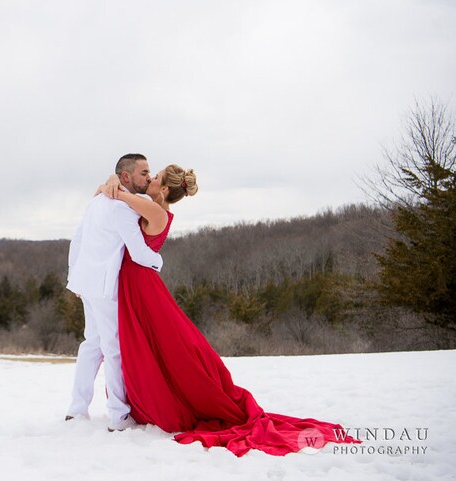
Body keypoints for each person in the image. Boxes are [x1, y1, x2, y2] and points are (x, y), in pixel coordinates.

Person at [99, 165, 361, 456]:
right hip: (137, 283)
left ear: (163, 190)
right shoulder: (151, 207)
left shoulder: (156, 212)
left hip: (141, 285)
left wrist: (113, 182)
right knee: (151, 344)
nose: (150, 179)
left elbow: (121, 196)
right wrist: (113, 181)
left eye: (155, 177)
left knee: (161, 345)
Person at [65, 153, 164, 432]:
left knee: (92, 344)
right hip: (105, 286)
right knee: (113, 348)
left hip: (87, 281)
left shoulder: (96, 200)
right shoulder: (123, 208)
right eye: (143, 173)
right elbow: (138, 252)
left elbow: (77, 240)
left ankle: (76, 409)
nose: (148, 177)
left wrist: (74, 277)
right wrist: (159, 262)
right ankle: (119, 416)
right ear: (126, 177)